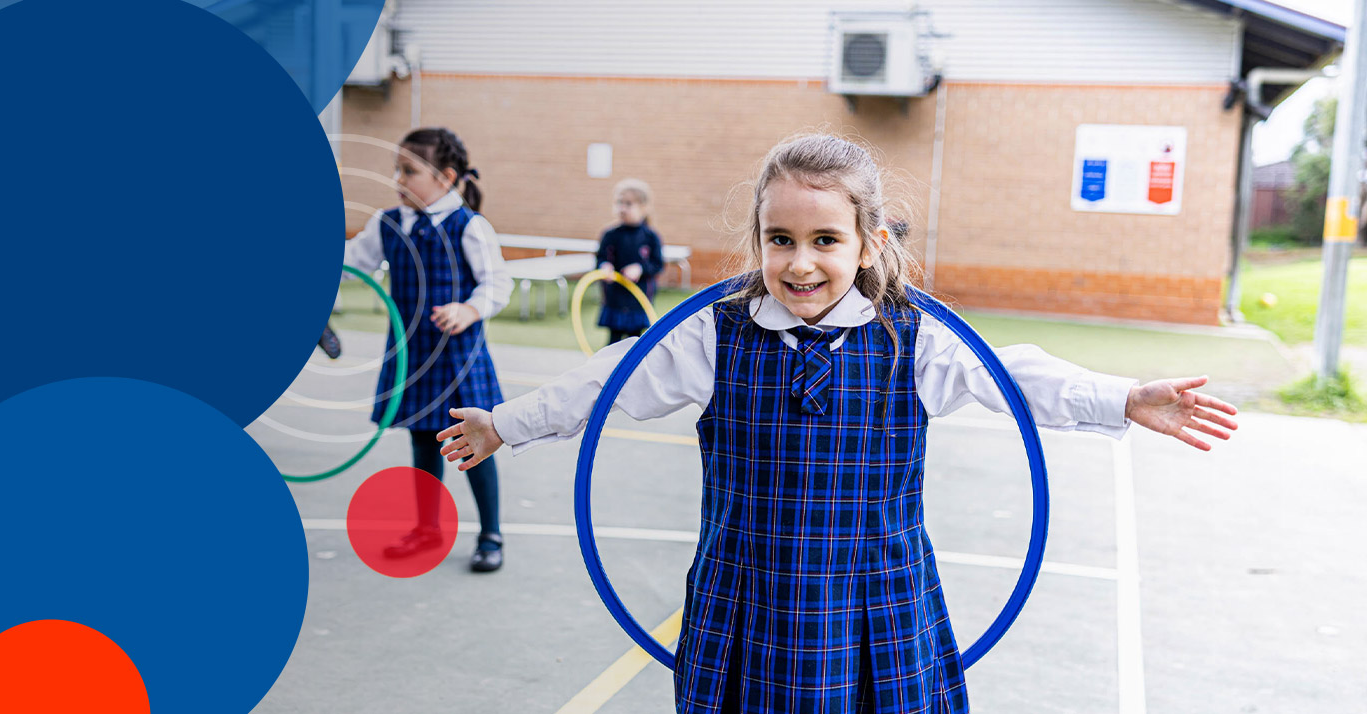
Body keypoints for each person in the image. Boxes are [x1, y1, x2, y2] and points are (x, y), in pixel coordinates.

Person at [436, 134, 1238, 709]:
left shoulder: (914, 339)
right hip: (748, 592)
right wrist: (507, 423)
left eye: (826, 239)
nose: (799, 263)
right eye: (779, 239)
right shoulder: (714, 333)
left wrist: (1123, 396)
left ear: (869, 242)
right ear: (758, 239)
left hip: (875, 597)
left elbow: (1017, 376)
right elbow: (611, 379)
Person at [343, 127, 514, 572]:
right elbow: (350, 266)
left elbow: (498, 284)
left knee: (474, 441)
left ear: (445, 177)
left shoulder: (469, 226)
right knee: (422, 440)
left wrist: (469, 310)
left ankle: (491, 533)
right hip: (412, 355)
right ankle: (426, 529)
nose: (398, 180)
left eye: (409, 171)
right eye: (396, 170)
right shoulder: (388, 224)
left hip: (459, 359)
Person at [595, 178, 665, 344]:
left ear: (643, 207)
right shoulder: (610, 235)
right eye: (619, 203)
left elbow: (658, 264)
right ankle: (612, 370)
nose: (622, 208)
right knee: (613, 342)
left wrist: (640, 268)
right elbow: (601, 257)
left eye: (628, 204)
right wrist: (605, 266)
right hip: (615, 299)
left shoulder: (650, 237)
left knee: (635, 344)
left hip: (637, 301)